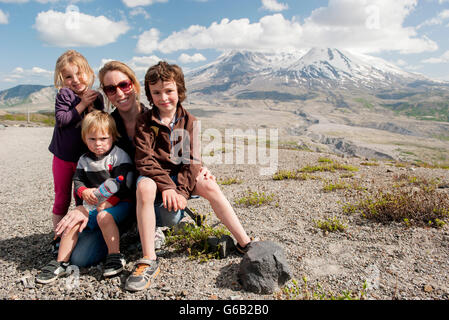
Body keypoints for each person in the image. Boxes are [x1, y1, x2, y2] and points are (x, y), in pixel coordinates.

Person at [55, 60, 212, 268]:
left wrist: (199, 167)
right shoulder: (105, 128)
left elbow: (182, 155)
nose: (119, 93)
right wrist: (82, 207)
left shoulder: (156, 119)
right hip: (113, 204)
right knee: (81, 258)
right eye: (111, 89)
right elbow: (86, 168)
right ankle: (126, 228)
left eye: (124, 85)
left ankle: (148, 227)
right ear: (106, 93)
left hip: (152, 199)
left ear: (135, 85)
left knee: (170, 215)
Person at [124, 61, 255, 292]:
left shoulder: (190, 121)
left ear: (180, 91)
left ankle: (244, 243)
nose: (163, 97)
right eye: (156, 92)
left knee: (209, 184)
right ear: (149, 94)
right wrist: (167, 187)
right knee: (144, 188)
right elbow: (145, 160)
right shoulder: (145, 122)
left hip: (180, 179)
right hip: (154, 178)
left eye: (169, 91)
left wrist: (182, 191)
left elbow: (191, 161)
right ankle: (148, 259)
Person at [36, 110, 134, 283]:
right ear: (84, 138)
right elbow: (78, 180)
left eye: (104, 138)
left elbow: (124, 183)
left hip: (119, 204)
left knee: (104, 217)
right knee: (73, 221)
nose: (98, 144)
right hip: (94, 204)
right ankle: (61, 262)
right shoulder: (84, 160)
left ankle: (115, 255)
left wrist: (111, 201)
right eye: (92, 139)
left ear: (112, 136)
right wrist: (83, 192)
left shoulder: (119, 156)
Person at [48, 50, 103, 253]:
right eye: (68, 76)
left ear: (89, 73)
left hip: (84, 159)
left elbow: (99, 124)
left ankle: (80, 233)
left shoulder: (96, 98)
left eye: (80, 74)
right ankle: (58, 236)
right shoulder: (65, 95)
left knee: (82, 197)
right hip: (63, 157)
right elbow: (62, 120)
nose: (75, 80)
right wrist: (82, 104)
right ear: (61, 79)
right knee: (62, 197)